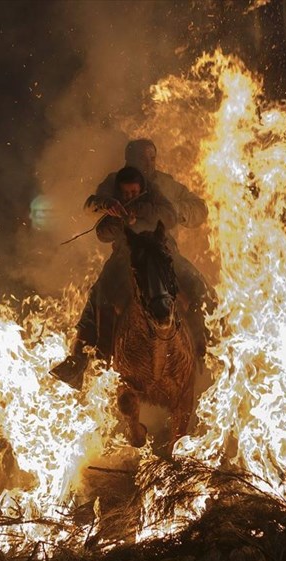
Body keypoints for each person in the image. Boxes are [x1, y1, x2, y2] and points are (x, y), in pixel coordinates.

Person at [52, 167, 210, 389]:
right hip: (126, 255)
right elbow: (101, 230)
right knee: (98, 294)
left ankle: (211, 342)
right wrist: (115, 213)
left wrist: (143, 209)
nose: (129, 196)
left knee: (198, 285)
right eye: (126, 194)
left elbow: (172, 216)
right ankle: (80, 357)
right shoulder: (112, 186)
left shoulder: (157, 188)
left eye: (150, 157)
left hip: (163, 253)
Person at [94, 139, 208, 234]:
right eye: (142, 159)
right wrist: (111, 207)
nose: (148, 164)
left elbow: (201, 209)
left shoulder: (166, 183)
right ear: (129, 160)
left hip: (166, 250)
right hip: (127, 250)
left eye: (152, 159)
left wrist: (172, 209)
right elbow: (94, 207)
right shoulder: (115, 181)